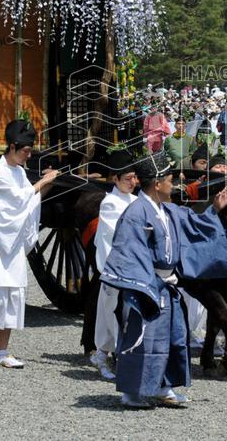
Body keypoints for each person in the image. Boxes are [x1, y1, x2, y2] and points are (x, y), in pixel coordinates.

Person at [100, 151, 227, 408]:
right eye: (171, 180)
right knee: (144, 339)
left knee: (173, 337)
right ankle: (132, 392)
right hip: (146, 286)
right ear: (156, 183)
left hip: (167, 285)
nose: (174, 185)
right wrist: (146, 285)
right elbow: (130, 253)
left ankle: (164, 387)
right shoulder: (136, 213)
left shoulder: (168, 210)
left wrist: (215, 209)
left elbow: (194, 224)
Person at [0, 120, 58, 368]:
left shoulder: (19, 172)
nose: (28, 155)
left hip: (13, 242)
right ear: (11, 146)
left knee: (11, 295)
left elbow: (28, 203)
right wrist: (41, 183)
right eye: (25, 150)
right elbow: (16, 201)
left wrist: (46, 184)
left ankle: (2, 351)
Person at [89, 148, 139, 380]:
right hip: (115, 267)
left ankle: (103, 356)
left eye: (134, 177)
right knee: (113, 315)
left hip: (132, 267)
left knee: (117, 316)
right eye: (127, 178)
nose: (133, 182)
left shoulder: (136, 200)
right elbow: (117, 236)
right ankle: (112, 359)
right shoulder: (110, 203)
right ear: (115, 179)